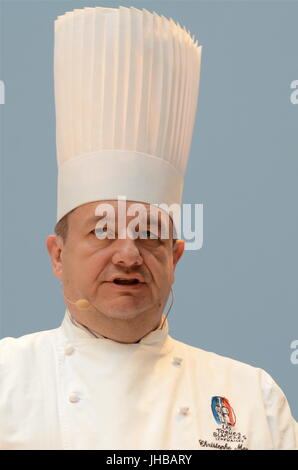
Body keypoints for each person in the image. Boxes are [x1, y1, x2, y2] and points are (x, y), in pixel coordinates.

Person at [0, 6, 297, 450]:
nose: (127, 254)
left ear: (175, 256)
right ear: (57, 255)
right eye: (102, 230)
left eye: (149, 233)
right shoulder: (7, 379)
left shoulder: (253, 399)